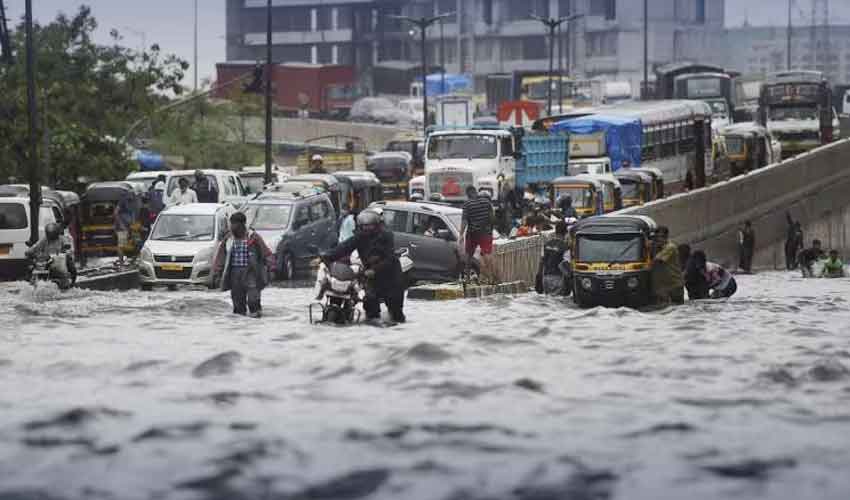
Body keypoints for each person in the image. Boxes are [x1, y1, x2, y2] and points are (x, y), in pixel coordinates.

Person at [326, 210, 405, 324]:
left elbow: (390, 258)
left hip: (391, 276)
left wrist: (374, 270)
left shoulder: (386, 236)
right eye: (364, 226)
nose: (367, 228)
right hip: (371, 277)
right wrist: (326, 257)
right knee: (370, 303)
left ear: (377, 225)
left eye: (370, 226)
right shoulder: (360, 237)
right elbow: (344, 247)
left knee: (396, 311)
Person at [213, 212, 274, 318]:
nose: (231, 227)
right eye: (231, 224)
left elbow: (266, 253)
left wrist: (272, 268)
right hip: (234, 274)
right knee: (238, 304)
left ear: (242, 224)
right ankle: (240, 327)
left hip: (251, 273)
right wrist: (217, 272)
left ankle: (256, 321)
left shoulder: (253, 237)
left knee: (253, 300)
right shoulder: (229, 239)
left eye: (234, 224)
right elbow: (221, 256)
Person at [25, 222, 76, 289]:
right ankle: (31, 283)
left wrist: (67, 251)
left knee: (71, 266)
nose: (51, 235)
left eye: (53, 233)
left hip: (59, 260)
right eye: (50, 233)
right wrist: (29, 252)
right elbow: (36, 246)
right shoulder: (44, 240)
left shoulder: (62, 239)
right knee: (30, 268)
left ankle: (72, 281)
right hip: (46, 261)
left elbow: (68, 246)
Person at [460, 186, 494, 275]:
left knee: (469, 255)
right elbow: (492, 217)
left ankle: (467, 277)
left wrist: (461, 235)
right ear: (476, 192)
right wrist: (490, 229)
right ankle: (492, 276)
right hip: (485, 233)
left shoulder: (467, 204)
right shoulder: (486, 202)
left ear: (467, 194)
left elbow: (464, 221)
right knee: (487, 254)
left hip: (472, 234)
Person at [651, 226, 684, 305]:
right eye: (657, 237)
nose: (659, 239)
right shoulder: (659, 247)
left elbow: (657, 260)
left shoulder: (670, 247)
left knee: (678, 309)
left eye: (661, 237)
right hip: (663, 287)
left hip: (674, 285)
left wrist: (653, 247)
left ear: (666, 237)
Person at [535, 221, 571, 296]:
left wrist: (539, 277)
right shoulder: (565, 247)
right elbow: (565, 265)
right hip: (558, 278)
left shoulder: (546, 245)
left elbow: (542, 262)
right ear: (566, 233)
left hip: (545, 278)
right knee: (558, 302)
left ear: (555, 231)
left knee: (548, 300)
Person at [113, 190, 134, 265]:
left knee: (125, 244)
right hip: (122, 228)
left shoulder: (129, 202)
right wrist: (121, 224)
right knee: (121, 245)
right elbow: (115, 213)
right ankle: (121, 262)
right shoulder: (122, 202)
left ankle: (124, 260)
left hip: (126, 227)